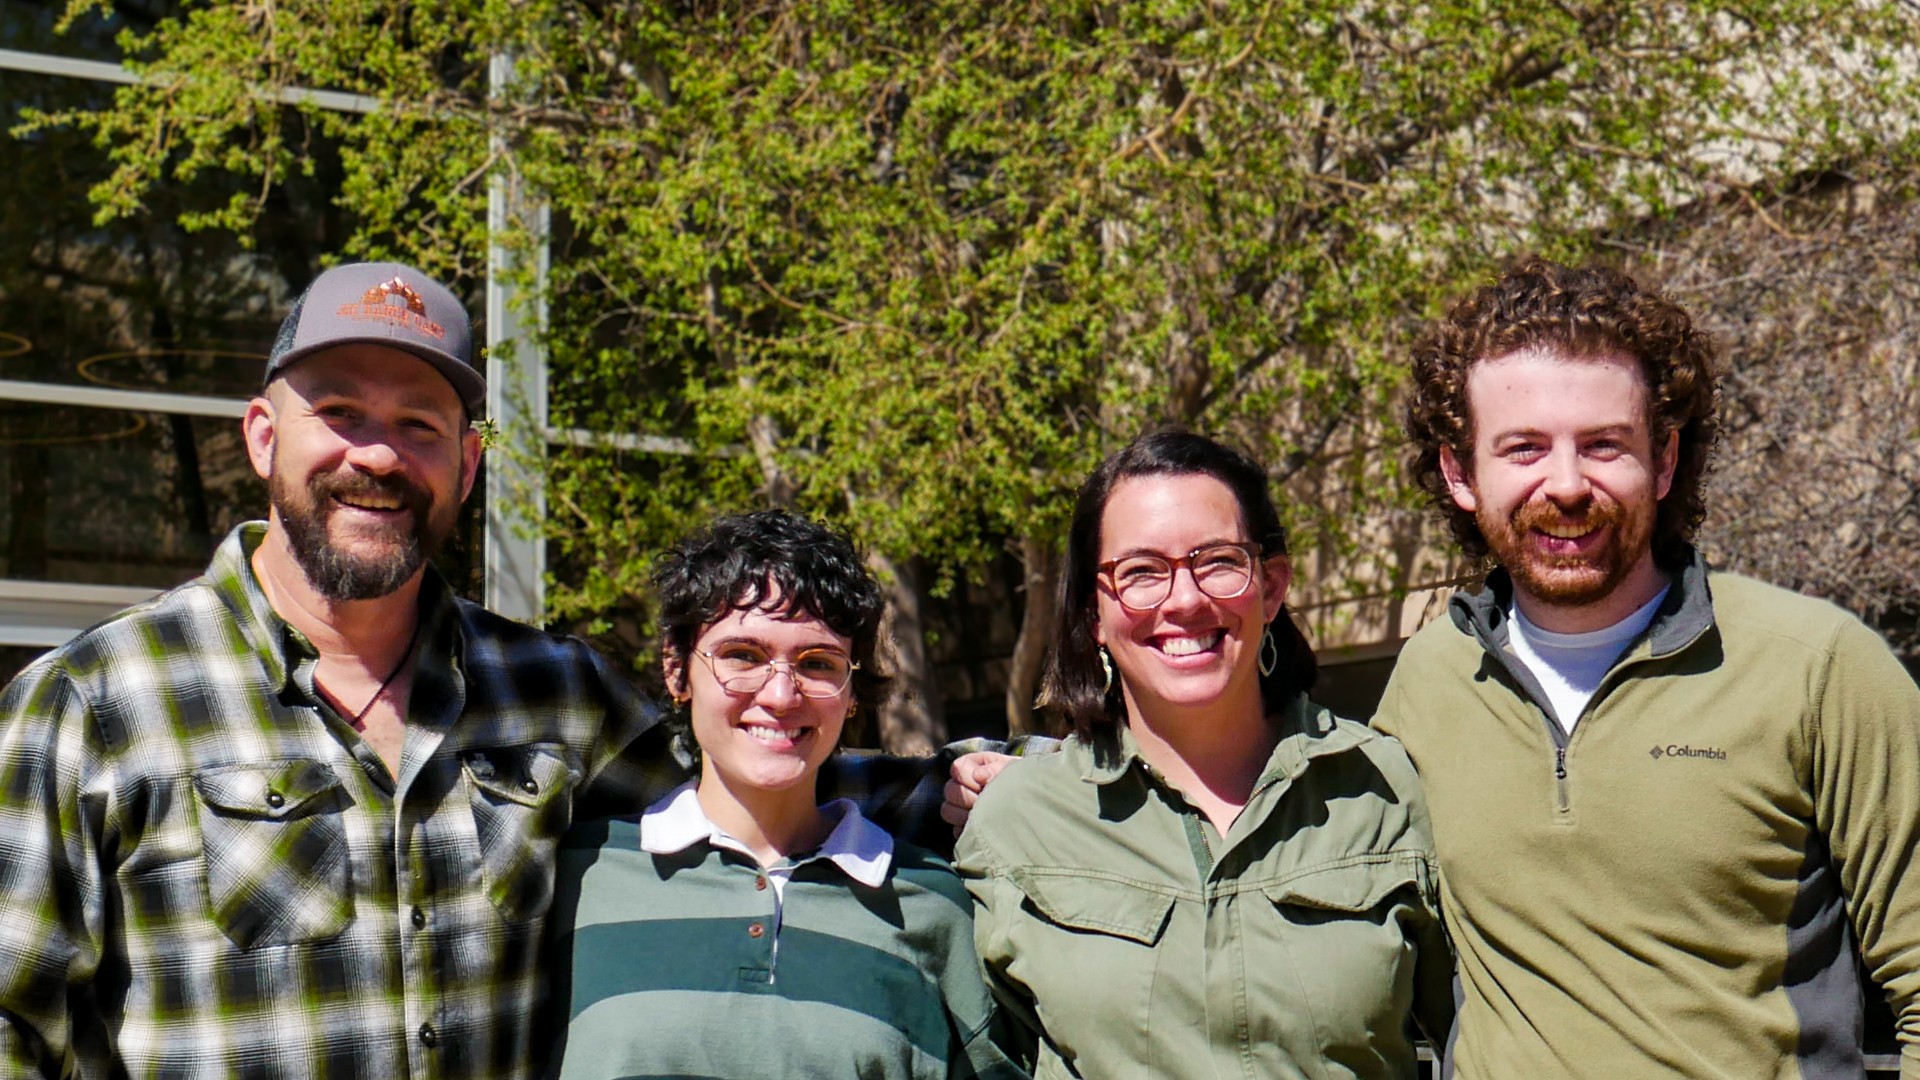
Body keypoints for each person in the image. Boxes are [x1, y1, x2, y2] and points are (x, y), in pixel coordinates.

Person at [0, 262, 948, 1079]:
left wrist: (959, 786)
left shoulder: (551, 692)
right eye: (338, 413)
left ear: (468, 461)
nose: (375, 455)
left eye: (419, 424)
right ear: (261, 437)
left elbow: (746, 775)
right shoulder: (92, 704)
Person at [1379, 256, 1920, 1078]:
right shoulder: (1428, 685)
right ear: (1461, 473)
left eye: (1604, 444)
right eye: (1523, 448)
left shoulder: (1818, 669)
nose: (1565, 484)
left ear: (1664, 461)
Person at [954, 429, 1453, 1079]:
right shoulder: (1015, 821)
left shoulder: (1388, 791)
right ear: (1092, 612)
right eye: (1140, 572)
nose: (1185, 600)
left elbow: (1482, 1042)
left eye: (1217, 561)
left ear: (1270, 587)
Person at [545, 510, 1023, 1079]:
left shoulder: (933, 902)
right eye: (741, 656)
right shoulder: (575, 874)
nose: (779, 693)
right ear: (677, 673)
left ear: (851, 692)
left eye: (817, 663)